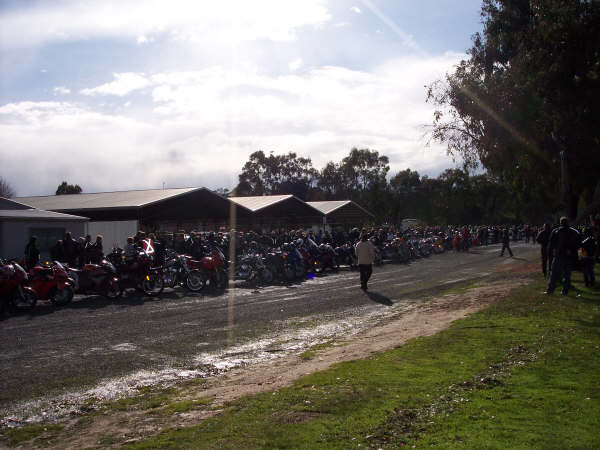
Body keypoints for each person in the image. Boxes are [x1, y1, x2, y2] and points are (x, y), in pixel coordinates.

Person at [545, 217, 581, 295]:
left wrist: (549, 254)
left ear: (560, 222)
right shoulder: (574, 232)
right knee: (567, 275)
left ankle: (550, 290)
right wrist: (572, 250)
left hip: (558, 255)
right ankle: (565, 291)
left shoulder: (556, 231)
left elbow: (551, 244)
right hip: (569, 256)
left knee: (554, 273)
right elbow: (579, 244)